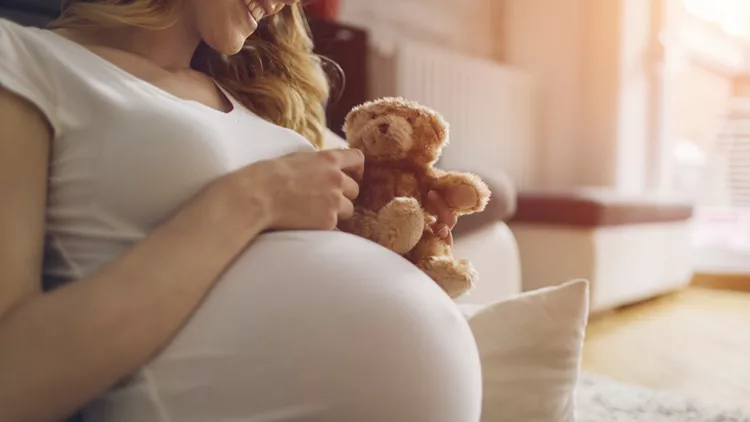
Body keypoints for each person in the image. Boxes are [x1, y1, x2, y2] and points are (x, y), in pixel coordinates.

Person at [0, 1, 484, 421]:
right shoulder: (24, 57)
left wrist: (402, 213)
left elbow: (379, 182)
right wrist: (253, 199)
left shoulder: (258, 96)